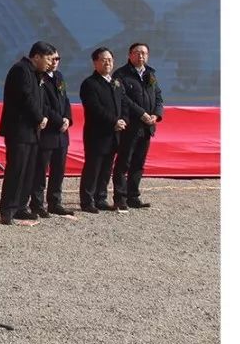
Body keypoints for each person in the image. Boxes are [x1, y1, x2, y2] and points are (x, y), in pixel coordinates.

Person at [0, 42, 54, 224]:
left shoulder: (37, 74)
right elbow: (26, 97)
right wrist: (39, 117)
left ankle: (21, 207)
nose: (50, 63)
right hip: (19, 129)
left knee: (29, 171)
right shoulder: (21, 70)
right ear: (36, 56)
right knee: (16, 169)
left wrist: (44, 116)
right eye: (48, 58)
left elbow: (41, 101)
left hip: (33, 131)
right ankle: (8, 209)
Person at [112, 42, 164, 209]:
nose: (141, 56)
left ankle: (133, 196)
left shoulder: (150, 73)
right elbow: (123, 98)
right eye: (137, 52)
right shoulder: (121, 74)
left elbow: (158, 97)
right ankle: (120, 198)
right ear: (130, 55)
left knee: (138, 163)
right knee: (123, 163)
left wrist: (156, 114)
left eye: (144, 53)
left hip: (147, 127)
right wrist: (141, 113)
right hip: (130, 126)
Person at [79, 47, 128, 213]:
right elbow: (94, 108)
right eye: (103, 60)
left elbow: (124, 104)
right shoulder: (90, 84)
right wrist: (114, 121)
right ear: (95, 63)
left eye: (110, 60)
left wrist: (124, 120)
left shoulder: (116, 83)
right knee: (93, 167)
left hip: (115, 133)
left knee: (107, 168)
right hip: (97, 133)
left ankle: (101, 198)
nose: (107, 63)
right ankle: (87, 201)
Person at [30, 50, 75, 216]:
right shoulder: (39, 77)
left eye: (58, 58)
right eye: (52, 58)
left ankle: (55, 202)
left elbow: (65, 100)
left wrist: (68, 119)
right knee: (40, 170)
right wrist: (59, 120)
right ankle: (37, 204)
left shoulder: (59, 76)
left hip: (62, 133)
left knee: (58, 170)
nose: (55, 62)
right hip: (47, 131)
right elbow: (43, 105)